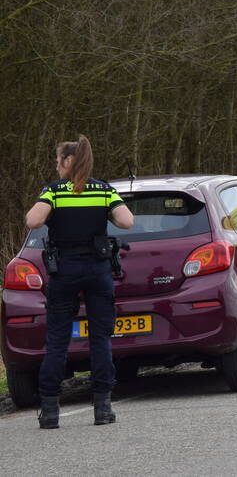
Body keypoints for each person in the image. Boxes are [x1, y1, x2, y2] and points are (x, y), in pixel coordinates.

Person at [24, 136, 134, 429]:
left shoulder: (54, 192)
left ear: (68, 161)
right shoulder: (104, 190)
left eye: (57, 159)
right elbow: (127, 221)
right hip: (98, 271)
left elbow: (33, 221)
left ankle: (49, 411)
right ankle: (103, 408)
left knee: (58, 340)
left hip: (65, 271)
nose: (55, 164)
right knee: (100, 339)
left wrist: (49, 201)